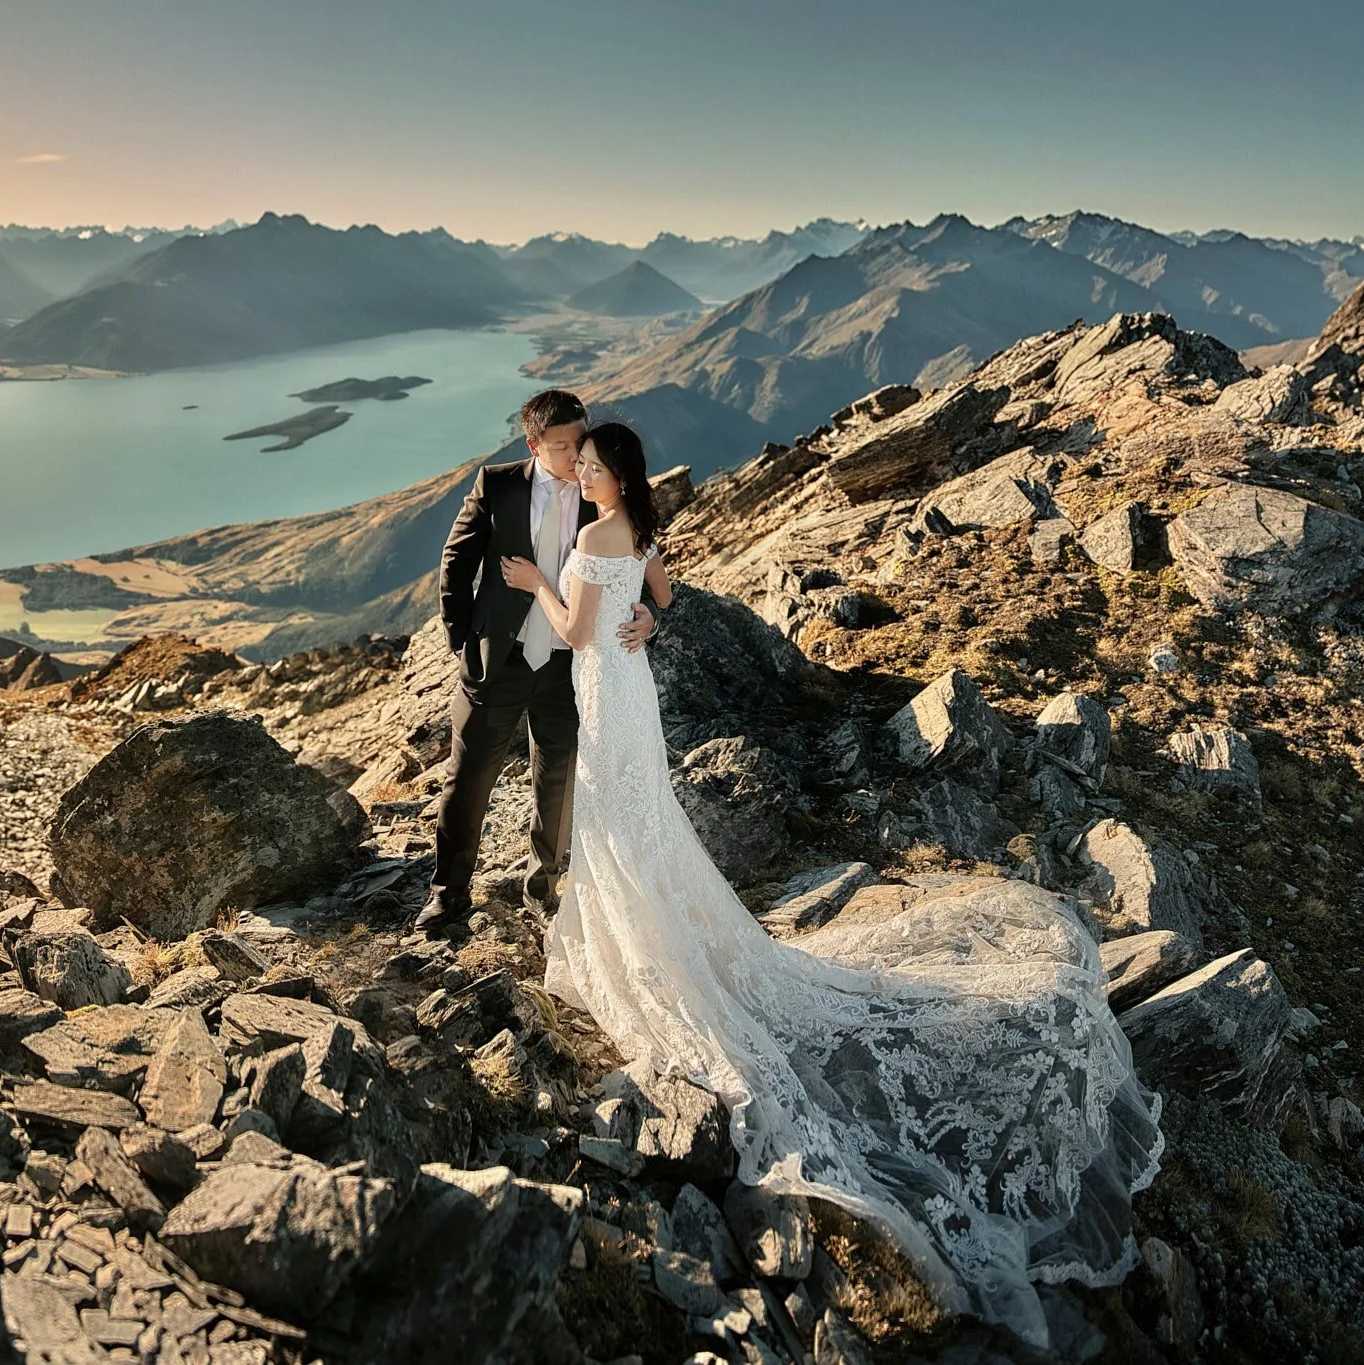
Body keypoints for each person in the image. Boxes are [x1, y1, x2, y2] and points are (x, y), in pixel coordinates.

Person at [503, 420, 1165, 1351]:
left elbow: (574, 630)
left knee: (619, 825)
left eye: (597, 465)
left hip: (606, 693)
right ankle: (652, 926)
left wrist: (537, 584)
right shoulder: (637, 530)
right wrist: (650, 619)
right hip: (632, 691)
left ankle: (643, 944)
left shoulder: (587, 538)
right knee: (641, 823)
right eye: (587, 463)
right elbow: (660, 593)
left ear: (616, 475)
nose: (587, 472)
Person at [414, 390, 659, 934]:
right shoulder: (497, 484)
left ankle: (542, 887)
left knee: (557, 783)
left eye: (581, 441)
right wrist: (463, 641)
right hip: (496, 661)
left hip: (569, 670)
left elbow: (639, 561)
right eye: (563, 446)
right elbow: (456, 562)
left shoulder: (601, 497)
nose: (577, 457)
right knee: (467, 781)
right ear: (533, 445)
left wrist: (650, 616)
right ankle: (447, 894)